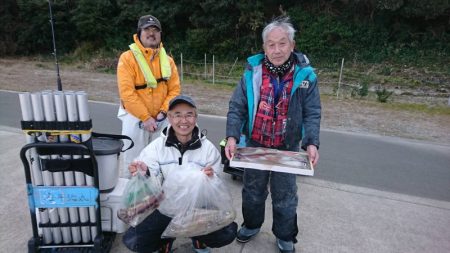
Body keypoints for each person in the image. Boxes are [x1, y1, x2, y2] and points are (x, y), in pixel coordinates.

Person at [224, 17, 321, 253]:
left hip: (287, 147)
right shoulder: (252, 72)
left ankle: (285, 236)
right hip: (256, 143)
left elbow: (312, 113)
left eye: (282, 43)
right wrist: (232, 137)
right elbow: (237, 108)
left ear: (292, 45)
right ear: (264, 47)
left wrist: (311, 143)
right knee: (252, 191)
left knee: (285, 196)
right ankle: (252, 225)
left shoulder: (306, 76)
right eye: (271, 44)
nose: (277, 50)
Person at [123, 95, 237, 253]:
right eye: (177, 115)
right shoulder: (155, 148)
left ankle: (198, 239)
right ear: (169, 117)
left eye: (189, 115)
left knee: (227, 233)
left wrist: (211, 178)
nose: (184, 121)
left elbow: (216, 189)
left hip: (196, 207)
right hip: (165, 206)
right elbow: (151, 188)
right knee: (135, 241)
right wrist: (145, 172)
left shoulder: (208, 149)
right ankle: (165, 240)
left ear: (196, 117)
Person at [117, 14, 181, 178]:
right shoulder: (127, 58)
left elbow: (174, 91)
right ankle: (131, 196)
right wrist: (145, 117)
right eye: (147, 29)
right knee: (133, 159)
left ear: (160, 34)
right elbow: (127, 93)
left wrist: (163, 113)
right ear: (139, 33)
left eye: (155, 30)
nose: (152, 33)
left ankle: (156, 195)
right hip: (135, 116)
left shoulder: (168, 60)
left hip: (161, 116)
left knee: (161, 159)